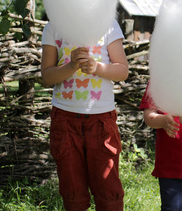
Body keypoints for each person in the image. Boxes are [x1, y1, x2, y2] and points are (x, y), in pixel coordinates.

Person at [41, 19, 128, 211]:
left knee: (108, 190)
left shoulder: (108, 24)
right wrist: (71, 66)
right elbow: (47, 76)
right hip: (65, 120)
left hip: (101, 120)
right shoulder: (54, 25)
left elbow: (122, 71)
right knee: (73, 192)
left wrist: (97, 68)